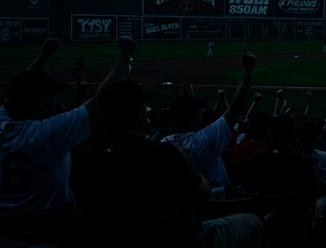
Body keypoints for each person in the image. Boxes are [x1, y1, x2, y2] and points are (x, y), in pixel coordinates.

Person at [70, 78, 263, 248]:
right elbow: (202, 197)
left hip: (104, 238)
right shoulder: (163, 152)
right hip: (170, 238)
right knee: (254, 222)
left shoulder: (82, 156)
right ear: (138, 114)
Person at [0, 38, 135, 212]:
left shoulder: (4, 121)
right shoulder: (48, 133)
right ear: (42, 102)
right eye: (52, 97)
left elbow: (18, 92)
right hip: (47, 225)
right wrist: (125, 56)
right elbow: (100, 99)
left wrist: (43, 57)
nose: (57, 101)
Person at [161, 51, 256, 189]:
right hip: (213, 198)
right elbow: (236, 108)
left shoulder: (164, 144)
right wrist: (248, 71)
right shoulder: (204, 141)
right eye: (198, 112)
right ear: (195, 118)